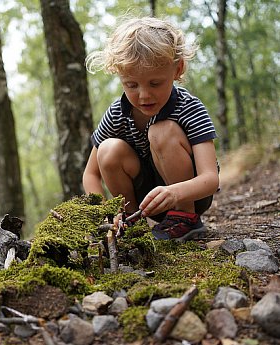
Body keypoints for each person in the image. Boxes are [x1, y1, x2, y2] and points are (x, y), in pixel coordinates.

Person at [82, 16, 219, 241]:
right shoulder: (117, 113)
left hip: (189, 195)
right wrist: (107, 214)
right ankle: (131, 224)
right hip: (145, 201)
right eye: (131, 85)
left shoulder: (189, 108)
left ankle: (185, 218)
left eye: (155, 83)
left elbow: (210, 179)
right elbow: (91, 174)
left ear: (178, 69)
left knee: (161, 130)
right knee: (108, 149)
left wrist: (176, 193)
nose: (144, 95)